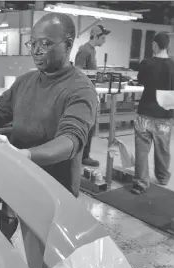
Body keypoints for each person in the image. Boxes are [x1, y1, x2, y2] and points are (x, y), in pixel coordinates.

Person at [0, 13, 98, 198]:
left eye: (45, 44)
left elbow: (70, 140)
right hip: (18, 178)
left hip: (55, 191)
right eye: (33, 43)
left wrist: (23, 155)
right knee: (11, 221)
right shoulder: (25, 81)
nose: (36, 50)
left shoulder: (81, 89)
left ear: (67, 45)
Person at [132, 32, 174, 194]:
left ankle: (140, 183)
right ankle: (163, 177)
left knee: (142, 150)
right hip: (164, 115)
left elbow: (141, 80)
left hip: (145, 113)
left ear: (155, 45)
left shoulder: (146, 63)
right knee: (163, 149)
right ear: (168, 46)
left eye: (152, 44)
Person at [73, 25, 111, 167]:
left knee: (91, 125)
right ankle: (81, 156)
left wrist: (99, 77)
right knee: (87, 125)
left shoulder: (92, 50)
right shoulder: (84, 50)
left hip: (90, 90)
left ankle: (84, 155)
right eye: (103, 38)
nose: (104, 41)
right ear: (95, 37)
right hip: (84, 93)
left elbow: (89, 72)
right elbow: (78, 72)